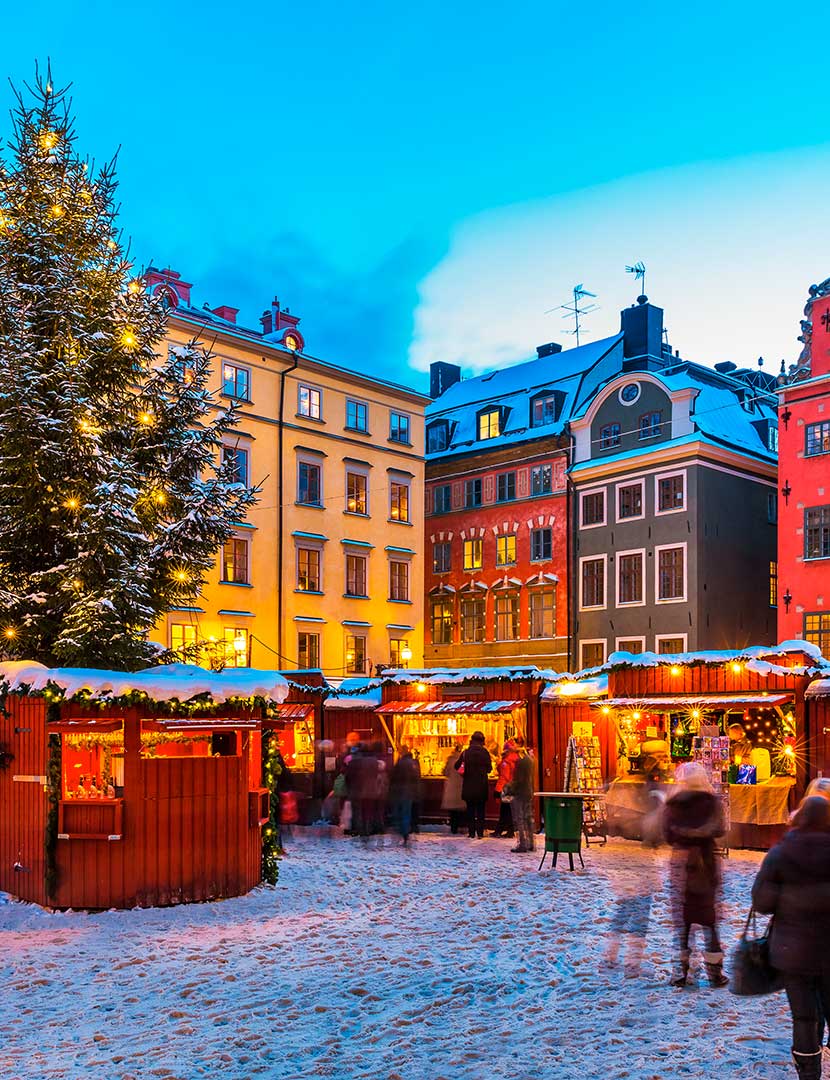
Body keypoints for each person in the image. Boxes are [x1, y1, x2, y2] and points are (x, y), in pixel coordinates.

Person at [752, 795, 830, 1080]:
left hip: (793, 952)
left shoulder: (781, 852)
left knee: (805, 1017)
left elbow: (761, 902)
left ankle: (808, 1074)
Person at [663, 762, 727, 988]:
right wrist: (702, 834)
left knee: (683, 921)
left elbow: (667, 835)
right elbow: (720, 829)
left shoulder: (673, 804)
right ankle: (715, 973)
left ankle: (680, 972)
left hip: (682, 864)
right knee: (709, 920)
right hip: (706, 862)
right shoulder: (711, 803)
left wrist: (684, 835)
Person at [455, 731, 492, 839]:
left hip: (469, 786)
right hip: (481, 787)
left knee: (470, 810)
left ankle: (471, 833)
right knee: (481, 811)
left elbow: (456, 766)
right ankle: (480, 833)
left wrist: (466, 772)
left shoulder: (466, 753)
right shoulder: (485, 752)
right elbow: (489, 769)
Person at [345, 742, 379, 839]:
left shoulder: (353, 762)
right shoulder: (374, 761)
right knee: (368, 810)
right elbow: (375, 775)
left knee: (356, 811)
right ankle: (368, 829)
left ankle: (358, 830)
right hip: (370, 790)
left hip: (356, 790)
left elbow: (348, 778)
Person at [389, 746, 421, 845]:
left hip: (398, 791)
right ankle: (405, 832)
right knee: (406, 812)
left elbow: (392, 777)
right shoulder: (413, 763)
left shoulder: (399, 763)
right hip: (409, 791)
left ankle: (401, 830)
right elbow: (417, 778)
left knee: (398, 812)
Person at [509, 740, 536, 853]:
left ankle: (523, 844)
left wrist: (511, 789)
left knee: (519, 819)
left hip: (520, 792)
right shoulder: (531, 760)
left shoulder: (520, 762)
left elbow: (518, 779)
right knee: (528, 818)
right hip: (528, 791)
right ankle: (531, 843)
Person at [492, 740, 518, 838]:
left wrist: (498, 790)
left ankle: (500, 830)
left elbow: (504, 777)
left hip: (506, 788)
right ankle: (508, 830)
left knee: (505, 810)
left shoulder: (507, 761)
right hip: (512, 787)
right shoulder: (516, 758)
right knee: (509, 810)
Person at [441, 744, 466, 834]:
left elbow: (445, 772)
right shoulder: (464, 761)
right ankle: (461, 827)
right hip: (461, 787)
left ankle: (453, 828)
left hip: (451, 788)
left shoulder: (450, 760)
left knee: (453, 812)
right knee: (461, 810)